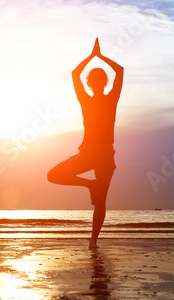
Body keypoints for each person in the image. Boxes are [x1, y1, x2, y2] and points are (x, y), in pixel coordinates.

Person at [47, 38, 124, 249]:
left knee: (100, 201)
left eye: (102, 78)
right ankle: (90, 184)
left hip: (106, 155)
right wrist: (90, 57)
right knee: (53, 175)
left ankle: (93, 241)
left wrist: (101, 57)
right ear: (90, 82)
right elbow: (74, 74)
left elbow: (120, 71)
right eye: (95, 78)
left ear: (105, 82)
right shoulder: (85, 99)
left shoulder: (112, 98)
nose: (98, 81)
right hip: (87, 152)